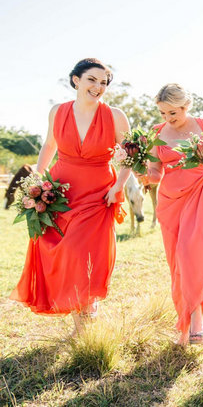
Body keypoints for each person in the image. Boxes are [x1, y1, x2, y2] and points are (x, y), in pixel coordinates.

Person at [11, 58, 130, 334]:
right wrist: (37, 177)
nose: (98, 87)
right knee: (61, 253)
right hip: (60, 192)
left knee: (82, 252)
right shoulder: (58, 112)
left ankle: (83, 325)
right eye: (92, 79)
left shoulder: (115, 115)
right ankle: (84, 314)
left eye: (103, 82)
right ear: (76, 80)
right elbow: (49, 144)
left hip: (98, 193)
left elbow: (130, 155)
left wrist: (119, 186)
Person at [139, 83, 203, 346]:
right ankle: (185, 323)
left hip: (201, 194)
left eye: (172, 113)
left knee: (193, 254)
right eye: (163, 113)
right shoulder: (156, 133)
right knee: (177, 262)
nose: (167, 119)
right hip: (170, 201)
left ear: (186, 106)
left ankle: (196, 317)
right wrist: (138, 170)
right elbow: (155, 173)